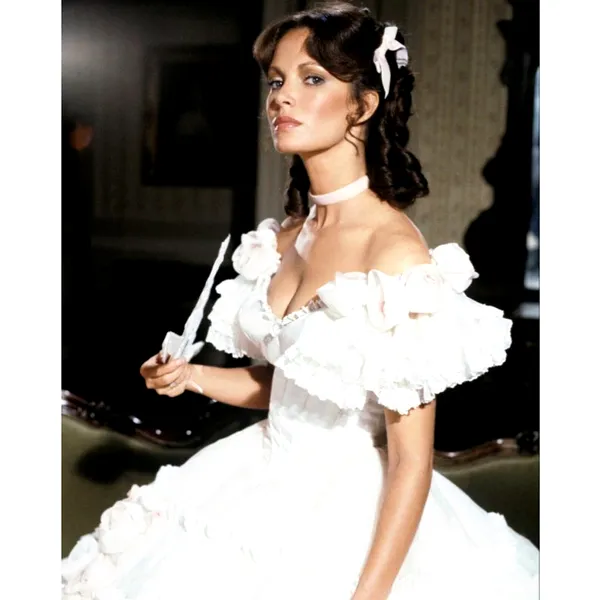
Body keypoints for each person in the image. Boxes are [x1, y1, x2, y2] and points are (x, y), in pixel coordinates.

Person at [61, 3, 539, 599]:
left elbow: (410, 462)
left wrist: (368, 596)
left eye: (312, 79)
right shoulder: (286, 237)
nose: (282, 97)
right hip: (252, 474)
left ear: (363, 105)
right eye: (276, 81)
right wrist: (191, 376)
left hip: (346, 514)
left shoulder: (395, 257)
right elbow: (290, 384)